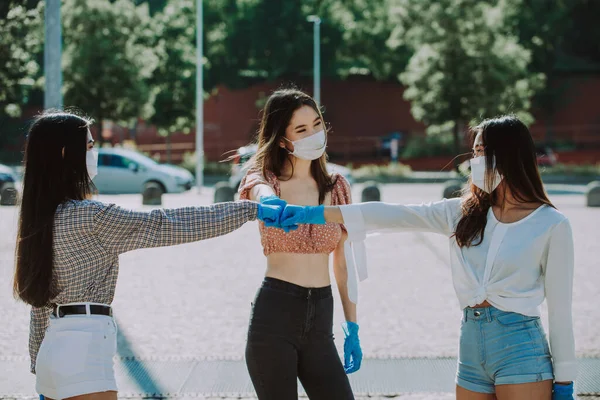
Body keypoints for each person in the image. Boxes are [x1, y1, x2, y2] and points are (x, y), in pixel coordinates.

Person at [277, 116, 577, 400]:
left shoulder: (551, 224)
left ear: (510, 154)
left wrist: (565, 381)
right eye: (474, 152)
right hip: (471, 347)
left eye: (483, 151)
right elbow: (390, 214)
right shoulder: (461, 213)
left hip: (522, 349)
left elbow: (560, 311)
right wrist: (309, 213)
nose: (475, 160)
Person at [13, 111, 283, 400]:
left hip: (51, 353)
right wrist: (250, 210)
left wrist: (39, 364)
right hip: (85, 347)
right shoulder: (89, 217)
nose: (95, 154)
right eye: (90, 147)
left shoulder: (39, 219)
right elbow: (165, 224)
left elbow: (39, 303)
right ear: (67, 154)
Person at [237, 88, 364, 400]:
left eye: (317, 124)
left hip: (321, 315)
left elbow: (343, 262)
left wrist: (352, 326)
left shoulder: (337, 188)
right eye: (302, 129)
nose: (314, 134)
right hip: (275, 314)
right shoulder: (267, 180)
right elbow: (257, 190)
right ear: (283, 139)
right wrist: (271, 204)